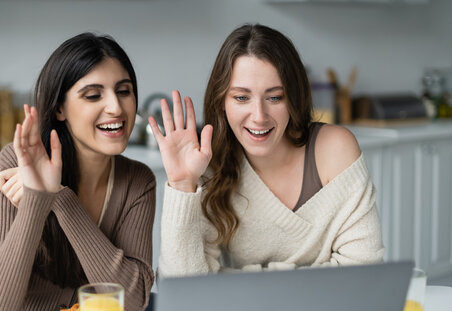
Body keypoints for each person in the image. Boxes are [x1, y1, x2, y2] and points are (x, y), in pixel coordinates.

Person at [0, 33, 156, 311]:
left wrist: (60, 199)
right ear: (59, 109)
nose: (116, 108)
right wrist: (37, 198)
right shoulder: (16, 165)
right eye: (93, 95)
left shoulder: (138, 181)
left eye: (124, 91)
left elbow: (130, 304)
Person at [149, 24, 384, 277]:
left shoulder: (335, 149)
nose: (259, 117)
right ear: (222, 103)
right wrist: (182, 184)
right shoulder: (209, 164)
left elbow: (364, 271)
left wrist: (242, 281)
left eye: (274, 97)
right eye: (241, 98)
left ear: (294, 98)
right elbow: (184, 289)